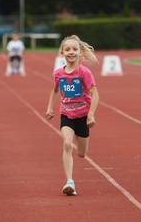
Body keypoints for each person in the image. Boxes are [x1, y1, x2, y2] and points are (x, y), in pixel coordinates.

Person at [45, 35, 99, 196]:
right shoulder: (58, 73)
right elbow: (55, 90)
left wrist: (91, 114)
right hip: (66, 114)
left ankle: (79, 138)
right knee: (67, 144)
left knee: (82, 153)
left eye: (74, 49)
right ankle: (70, 182)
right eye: (67, 49)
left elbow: (95, 95)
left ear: (80, 52)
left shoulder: (84, 73)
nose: (71, 52)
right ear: (62, 52)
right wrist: (50, 108)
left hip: (83, 116)